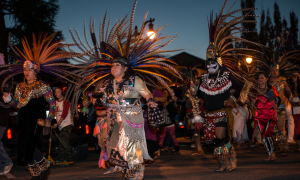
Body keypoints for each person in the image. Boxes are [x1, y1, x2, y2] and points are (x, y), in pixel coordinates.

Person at [193, 1, 264, 172]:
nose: (210, 62)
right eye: (207, 59)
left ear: (217, 60)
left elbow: (241, 88)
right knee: (213, 141)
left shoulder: (225, 75)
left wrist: (232, 99)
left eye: (212, 58)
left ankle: (230, 161)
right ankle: (223, 162)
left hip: (221, 113)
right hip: (208, 114)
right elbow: (197, 97)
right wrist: (193, 95)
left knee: (220, 137)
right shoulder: (203, 79)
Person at [0, 32, 81, 180]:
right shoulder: (19, 87)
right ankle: (38, 173)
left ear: (35, 72)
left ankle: (44, 166)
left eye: (29, 70)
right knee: (23, 148)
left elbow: (51, 104)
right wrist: (9, 100)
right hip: (23, 120)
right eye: (25, 70)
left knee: (30, 146)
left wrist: (49, 119)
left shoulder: (43, 86)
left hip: (36, 120)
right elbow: (18, 104)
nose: (26, 72)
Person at [251, 73, 279, 161]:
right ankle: (269, 153)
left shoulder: (271, 89)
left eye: (262, 78)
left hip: (270, 114)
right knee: (263, 135)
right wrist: (252, 102)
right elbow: (252, 102)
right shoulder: (254, 90)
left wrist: (275, 103)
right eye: (259, 78)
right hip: (260, 115)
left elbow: (278, 99)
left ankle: (273, 153)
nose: (260, 79)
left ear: (266, 79)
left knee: (268, 134)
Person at [269, 65, 293, 154]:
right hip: (271, 108)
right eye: (273, 70)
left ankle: (285, 146)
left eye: (276, 70)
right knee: (275, 129)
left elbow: (288, 91)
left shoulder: (283, 80)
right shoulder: (268, 82)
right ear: (270, 72)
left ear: (279, 72)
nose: (275, 72)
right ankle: (281, 146)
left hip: (281, 107)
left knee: (280, 127)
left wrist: (289, 98)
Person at [53, 85, 73, 164]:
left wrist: (57, 123)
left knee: (63, 141)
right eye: (55, 92)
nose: (56, 93)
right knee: (62, 141)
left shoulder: (66, 102)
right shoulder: (56, 102)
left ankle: (69, 158)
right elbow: (54, 112)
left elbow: (64, 114)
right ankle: (63, 158)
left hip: (67, 124)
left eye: (58, 92)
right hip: (61, 125)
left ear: (62, 93)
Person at [0, 92, 13, 175]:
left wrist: (6, 97)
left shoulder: (4, 95)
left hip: (1, 123)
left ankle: (7, 162)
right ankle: (1, 166)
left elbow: (7, 106)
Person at [290, 75, 300, 151]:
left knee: (298, 127)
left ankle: (299, 145)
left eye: (295, 76)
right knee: (297, 126)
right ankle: (298, 144)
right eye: (293, 77)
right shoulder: (290, 87)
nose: (293, 78)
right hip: (294, 109)